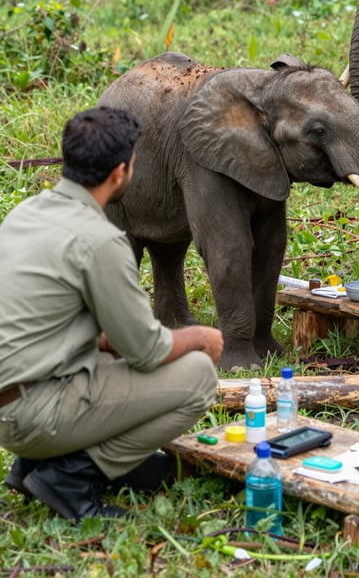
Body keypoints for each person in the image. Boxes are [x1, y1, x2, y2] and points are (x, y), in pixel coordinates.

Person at [0, 106, 223, 523]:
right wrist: (201, 338)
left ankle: (34, 465)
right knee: (198, 376)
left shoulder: (24, 213)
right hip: (34, 415)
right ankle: (70, 473)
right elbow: (146, 351)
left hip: (11, 404)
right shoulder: (100, 240)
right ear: (119, 173)